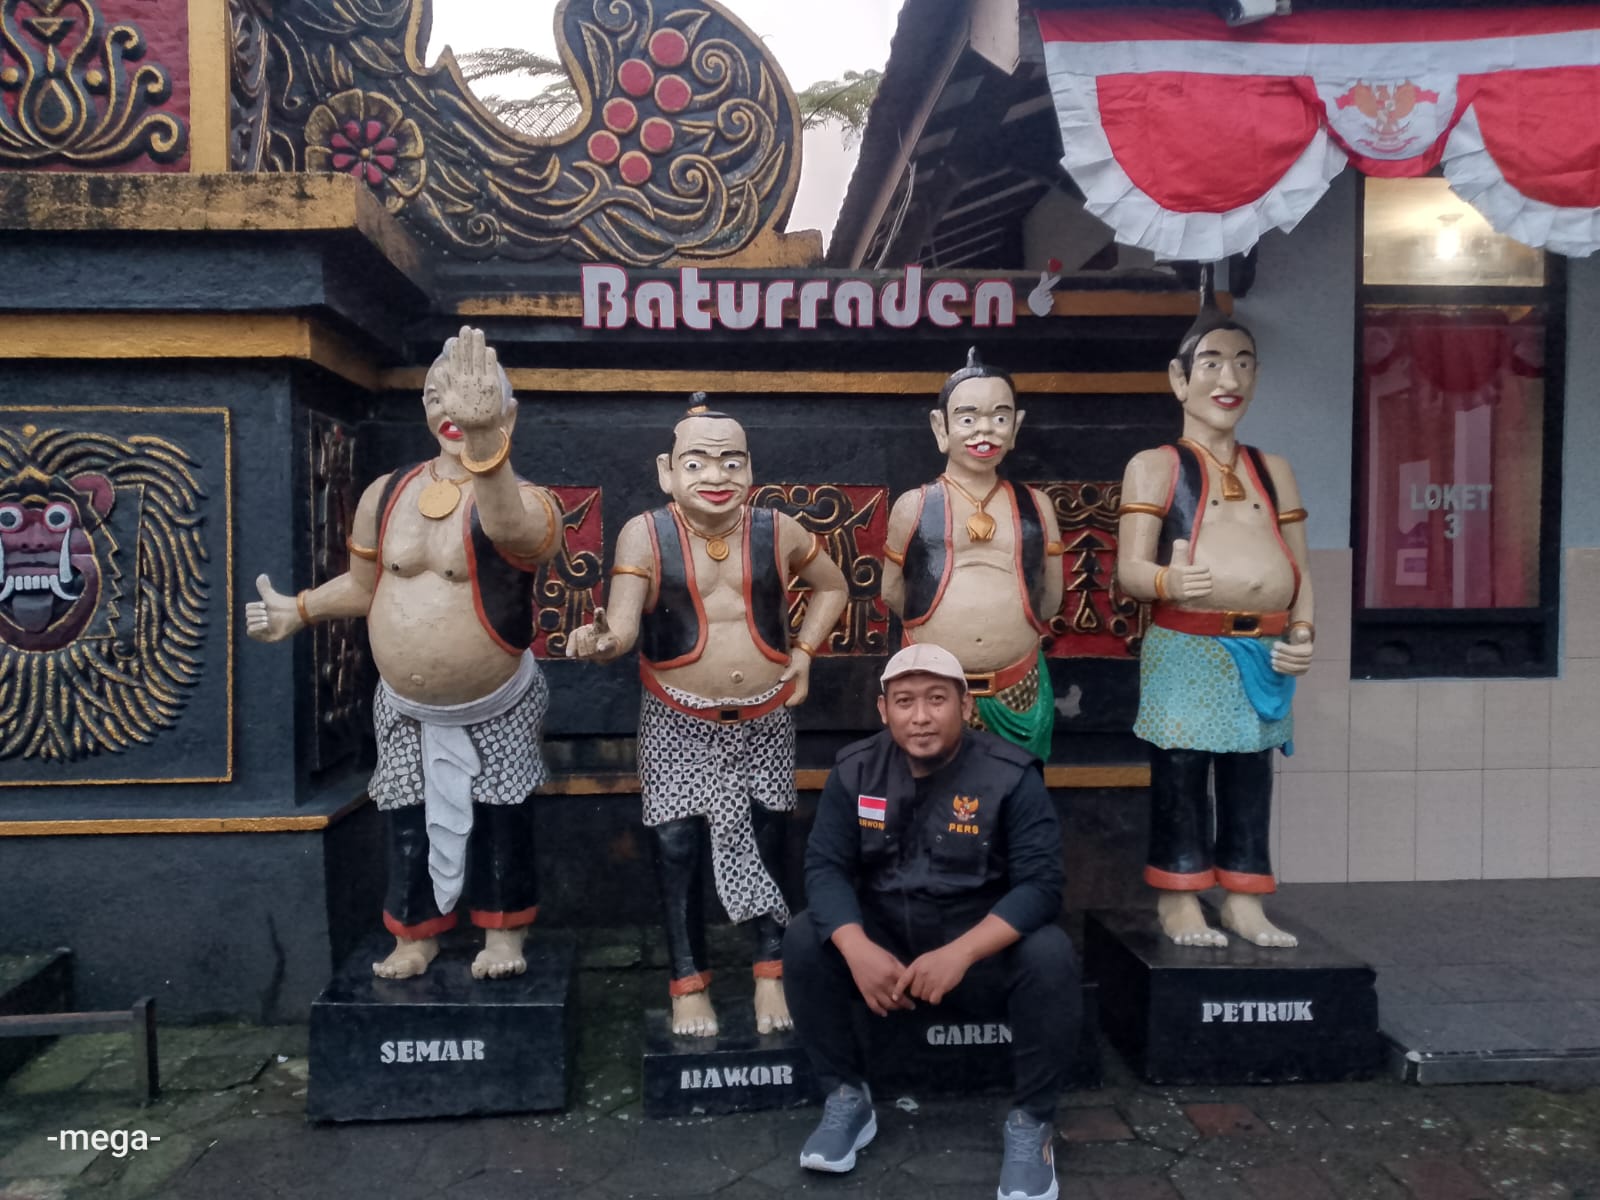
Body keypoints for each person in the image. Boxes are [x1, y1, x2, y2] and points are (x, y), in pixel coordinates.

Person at [247, 327, 563, 981]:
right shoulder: (386, 494)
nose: (453, 407)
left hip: (496, 698)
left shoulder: (527, 500)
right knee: (406, 815)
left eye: (472, 394)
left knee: (502, 816)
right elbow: (365, 586)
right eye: (438, 394)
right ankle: (415, 934)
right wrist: (299, 609)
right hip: (404, 702)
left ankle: (504, 933)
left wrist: (485, 441)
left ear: (507, 412)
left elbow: (514, 531)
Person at [566, 404, 848, 1037]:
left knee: (770, 835)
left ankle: (771, 969)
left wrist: (804, 653)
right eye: (696, 463)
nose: (715, 476)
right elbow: (623, 628)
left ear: (750, 468)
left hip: (765, 714)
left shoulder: (778, 529)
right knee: (676, 845)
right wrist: (601, 641)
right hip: (676, 715)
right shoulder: (645, 533)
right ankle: (688, 982)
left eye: (730, 461)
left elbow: (833, 587)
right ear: (666, 472)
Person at [783, 643, 1077, 1200]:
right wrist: (857, 950)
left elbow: (1042, 886)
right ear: (883, 709)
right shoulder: (855, 770)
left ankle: (1031, 1123)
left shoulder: (1011, 775)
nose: (921, 716)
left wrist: (961, 953)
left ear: (965, 706)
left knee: (1050, 954)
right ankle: (846, 1098)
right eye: (905, 701)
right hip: (888, 959)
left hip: (977, 955)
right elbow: (825, 867)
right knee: (803, 938)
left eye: (937, 699)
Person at [1115, 304, 1314, 949]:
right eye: (1212, 363)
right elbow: (1130, 570)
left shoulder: (1273, 469)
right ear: (1179, 379)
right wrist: (1168, 582)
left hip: (1264, 648)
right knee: (1180, 770)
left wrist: (1303, 632)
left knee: (1250, 774)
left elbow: (1300, 568)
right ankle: (1178, 897)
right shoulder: (1156, 466)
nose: (1230, 379)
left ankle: (1244, 898)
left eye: (1244, 364)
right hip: (1188, 646)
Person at [881, 349, 1065, 760]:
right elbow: (893, 593)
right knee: (932, 788)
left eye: (999, 418)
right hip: (934, 690)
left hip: (1017, 685)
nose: (985, 430)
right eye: (967, 419)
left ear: (1015, 427)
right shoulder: (914, 507)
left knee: (1016, 786)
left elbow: (1051, 597)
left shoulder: (1037, 507)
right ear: (941, 427)